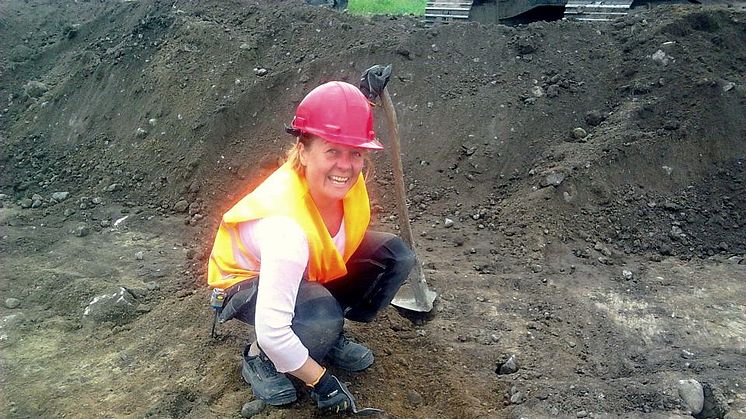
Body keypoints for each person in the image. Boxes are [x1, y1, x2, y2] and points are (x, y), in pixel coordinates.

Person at [207, 80, 415, 413]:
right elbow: (275, 331)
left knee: (394, 256)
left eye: (355, 153)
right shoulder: (284, 226)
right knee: (319, 317)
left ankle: (325, 337)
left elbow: (342, 126)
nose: (345, 165)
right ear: (303, 152)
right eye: (332, 150)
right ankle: (260, 359)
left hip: (304, 265)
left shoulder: (344, 180)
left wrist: (364, 99)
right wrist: (323, 382)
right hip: (245, 284)